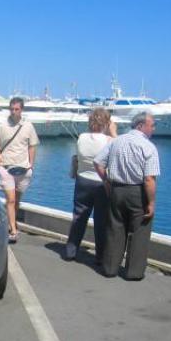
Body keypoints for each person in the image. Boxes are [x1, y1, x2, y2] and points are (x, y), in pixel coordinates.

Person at [94, 112, 160, 280]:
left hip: (116, 189)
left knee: (115, 228)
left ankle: (110, 267)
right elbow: (149, 179)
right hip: (137, 192)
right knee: (140, 231)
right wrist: (151, 202)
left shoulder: (117, 141)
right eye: (151, 125)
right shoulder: (148, 147)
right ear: (140, 126)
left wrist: (106, 181)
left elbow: (98, 162)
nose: (153, 128)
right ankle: (134, 272)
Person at [64, 108, 116, 262]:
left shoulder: (82, 137)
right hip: (101, 182)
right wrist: (113, 132)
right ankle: (100, 256)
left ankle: (70, 250)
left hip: (82, 181)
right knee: (101, 220)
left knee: (79, 217)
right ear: (105, 122)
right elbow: (120, 147)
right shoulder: (109, 141)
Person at [0, 97, 39, 242]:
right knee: (11, 200)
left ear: (21, 109)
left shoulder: (28, 126)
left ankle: (11, 223)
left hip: (23, 169)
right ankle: (13, 230)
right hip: (6, 168)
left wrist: (31, 165)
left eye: (17, 109)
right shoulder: (1, 126)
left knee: (17, 200)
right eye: (12, 109)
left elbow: (32, 146)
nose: (14, 112)